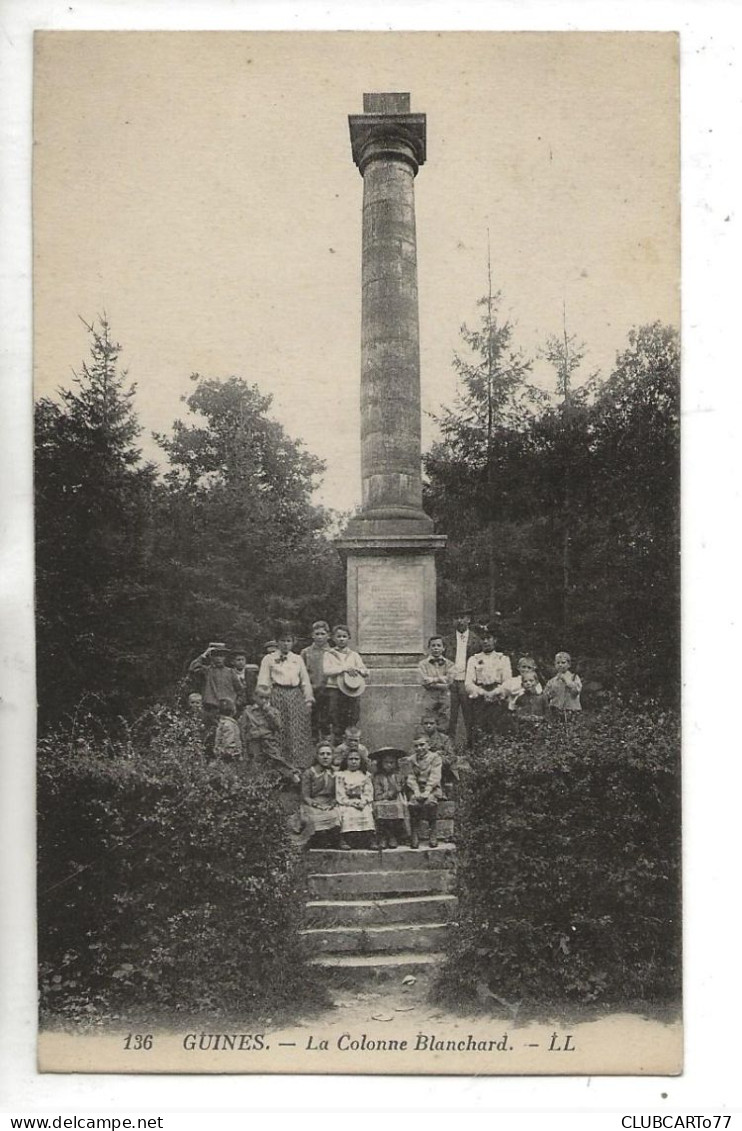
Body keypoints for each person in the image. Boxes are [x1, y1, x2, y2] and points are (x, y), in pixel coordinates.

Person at [256, 630, 315, 767]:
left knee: (296, 730)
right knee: (279, 729)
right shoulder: (269, 659)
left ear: (293, 642)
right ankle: (280, 765)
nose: (285, 644)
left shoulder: (297, 658)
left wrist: (308, 700)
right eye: (282, 641)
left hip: (295, 696)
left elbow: (305, 680)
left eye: (288, 641)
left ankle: (298, 765)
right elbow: (263, 681)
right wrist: (265, 703)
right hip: (277, 695)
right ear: (277, 642)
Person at [188, 642, 244, 756]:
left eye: (222, 655)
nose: (219, 658)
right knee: (210, 737)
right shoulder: (207, 671)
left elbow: (241, 691)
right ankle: (209, 762)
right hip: (211, 709)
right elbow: (193, 668)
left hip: (227, 711)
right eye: (216, 655)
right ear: (212, 657)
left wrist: (235, 704)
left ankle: (228, 760)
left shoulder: (230, 671)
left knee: (228, 737)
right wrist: (204, 655)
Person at [239, 684, 301, 783]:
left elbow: (278, 726)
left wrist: (268, 711)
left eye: (266, 698)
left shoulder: (273, 711)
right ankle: (258, 783)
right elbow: (243, 728)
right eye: (261, 697)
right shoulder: (248, 712)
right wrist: (244, 744)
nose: (264, 701)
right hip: (254, 741)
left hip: (268, 740)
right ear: (255, 697)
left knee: (277, 759)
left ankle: (293, 774)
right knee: (256, 762)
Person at [464, 629, 513, 743]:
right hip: (480, 698)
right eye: (483, 639)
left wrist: (495, 692)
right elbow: (468, 683)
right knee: (480, 731)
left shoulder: (503, 659)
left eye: (489, 638)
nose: (485, 641)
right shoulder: (474, 659)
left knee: (498, 731)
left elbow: (508, 681)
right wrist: (483, 693)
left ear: (495, 640)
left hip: (498, 698)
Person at [324, 624, 369, 744]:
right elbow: (327, 670)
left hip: (352, 691)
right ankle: (338, 744)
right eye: (338, 636)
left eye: (344, 636)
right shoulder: (329, 654)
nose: (341, 639)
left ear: (349, 638)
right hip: (335, 689)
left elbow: (365, 671)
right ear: (333, 638)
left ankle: (352, 744)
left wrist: (359, 670)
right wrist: (344, 668)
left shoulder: (354, 655)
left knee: (352, 717)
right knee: (336, 717)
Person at [443, 613, 481, 749]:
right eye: (456, 617)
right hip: (451, 682)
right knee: (450, 716)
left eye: (462, 617)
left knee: (469, 716)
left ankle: (471, 747)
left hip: (467, 682)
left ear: (469, 619)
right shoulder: (447, 640)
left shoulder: (477, 640)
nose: (459, 621)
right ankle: (449, 747)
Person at [299, 742, 341, 849]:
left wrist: (332, 803)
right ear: (317, 756)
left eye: (328, 754)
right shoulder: (309, 773)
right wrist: (316, 805)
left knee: (337, 814)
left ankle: (334, 840)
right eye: (322, 754)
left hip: (330, 802)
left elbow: (339, 792)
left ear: (332, 756)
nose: (325, 757)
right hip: (313, 803)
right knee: (314, 816)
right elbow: (305, 796)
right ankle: (318, 840)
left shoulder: (336, 773)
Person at [406, 735, 444, 849]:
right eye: (416, 746)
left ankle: (432, 832)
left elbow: (435, 776)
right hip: (416, 788)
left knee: (430, 803)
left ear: (428, 745)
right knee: (413, 803)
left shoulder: (435, 758)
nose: (419, 748)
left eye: (422, 745)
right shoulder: (411, 760)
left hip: (432, 788)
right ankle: (414, 833)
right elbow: (411, 777)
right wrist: (416, 791)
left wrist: (427, 791)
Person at [335, 748, 375, 850]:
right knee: (347, 812)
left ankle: (370, 839)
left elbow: (368, 792)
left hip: (361, 801)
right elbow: (340, 793)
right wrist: (350, 803)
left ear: (360, 761)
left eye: (356, 759)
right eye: (351, 759)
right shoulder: (340, 775)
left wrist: (363, 801)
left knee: (366, 811)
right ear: (346, 761)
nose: (353, 761)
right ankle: (345, 839)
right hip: (347, 802)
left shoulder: (365, 775)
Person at [300, 620, 332, 742]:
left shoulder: (333, 652)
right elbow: (302, 673)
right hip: (311, 691)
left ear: (328, 636)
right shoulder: (306, 652)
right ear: (312, 635)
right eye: (317, 634)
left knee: (326, 722)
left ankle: (327, 746)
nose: (319, 637)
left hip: (328, 691)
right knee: (311, 722)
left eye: (322, 634)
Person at [372, 749, 409, 849]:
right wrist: (390, 793)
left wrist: (400, 788)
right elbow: (377, 795)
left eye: (392, 762)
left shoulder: (399, 776)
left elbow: (403, 789)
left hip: (398, 799)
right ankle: (384, 836)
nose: (389, 765)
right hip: (382, 800)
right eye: (386, 762)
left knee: (399, 806)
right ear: (381, 764)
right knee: (380, 807)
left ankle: (393, 836)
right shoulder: (378, 777)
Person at [418, 635, 455, 732]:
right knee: (428, 724)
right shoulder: (422, 664)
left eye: (439, 645)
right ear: (429, 648)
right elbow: (424, 681)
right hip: (429, 698)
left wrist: (432, 680)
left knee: (444, 724)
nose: (436, 648)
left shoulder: (450, 664)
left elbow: (449, 682)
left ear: (443, 648)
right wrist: (441, 679)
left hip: (444, 699)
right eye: (433, 646)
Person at [230, 647, 258, 712]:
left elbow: (255, 690)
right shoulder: (229, 674)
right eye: (238, 660)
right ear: (232, 662)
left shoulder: (251, 675)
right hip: (234, 705)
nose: (241, 662)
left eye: (243, 660)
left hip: (250, 705)